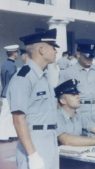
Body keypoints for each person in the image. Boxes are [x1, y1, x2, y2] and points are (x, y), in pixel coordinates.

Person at [7, 29, 60, 169]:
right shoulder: (24, 78)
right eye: (53, 47)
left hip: (50, 140)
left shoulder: (43, 77)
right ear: (42, 49)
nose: (56, 51)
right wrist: (32, 155)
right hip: (34, 142)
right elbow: (18, 119)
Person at [59, 39, 95, 129]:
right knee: (81, 138)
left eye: (92, 57)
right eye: (87, 57)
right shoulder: (68, 73)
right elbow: (61, 96)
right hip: (79, 111)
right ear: (78, 54)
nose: (90, 59)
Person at [55, 79, 95, 146]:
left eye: (77, 93)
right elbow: (66, 140)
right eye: (73, 95)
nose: (78, 96)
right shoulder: (56, 117)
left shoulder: (78, 115)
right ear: (62, 100)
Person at [0, 44, 19, 141]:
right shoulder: (12, 66)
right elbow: (12, 81)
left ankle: (10, 133)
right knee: (6, 114)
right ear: (13, 53)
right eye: (16, 52)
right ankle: (2, 135)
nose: (17, 54)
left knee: (8, 114)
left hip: (4, 91)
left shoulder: (4, 64)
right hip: (9, 92)